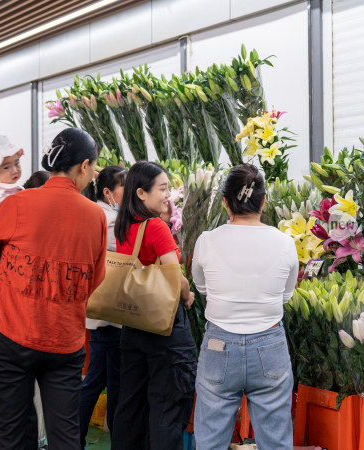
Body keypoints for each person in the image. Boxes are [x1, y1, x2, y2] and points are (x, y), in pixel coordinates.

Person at [0, 128, 106, 449]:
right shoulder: (94, 215)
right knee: (65, 436)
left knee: (10, 434)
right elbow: (93, 281)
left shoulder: (17, 204)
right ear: (84, 166)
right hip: (64, 340)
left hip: (9, 334)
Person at [191, 164, 298, 450]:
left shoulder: (206, 241)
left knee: (210, 438)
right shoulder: (286, 243)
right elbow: (286, 295)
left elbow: (201, 288)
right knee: (275, 440)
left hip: (218, 345)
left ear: (226, 203)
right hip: (270, 345)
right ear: (263, 201)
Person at [110, 162, 196, 450]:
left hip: (133, 324)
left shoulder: (125, 226)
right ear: (142, 194)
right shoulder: (155, 226)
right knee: (167, 407)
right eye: (162, 188)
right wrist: (187, 296)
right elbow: (175, 277)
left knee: (131, 405)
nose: (168, 195)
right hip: (164, 328)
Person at [79, 165, 127, 448]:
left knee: (97, 380)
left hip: (101, 314)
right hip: (111, 313)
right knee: (109, 383)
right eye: (125, 186)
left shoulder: (101, 212)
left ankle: (76, 438)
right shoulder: (109, 218)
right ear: (108, 192)